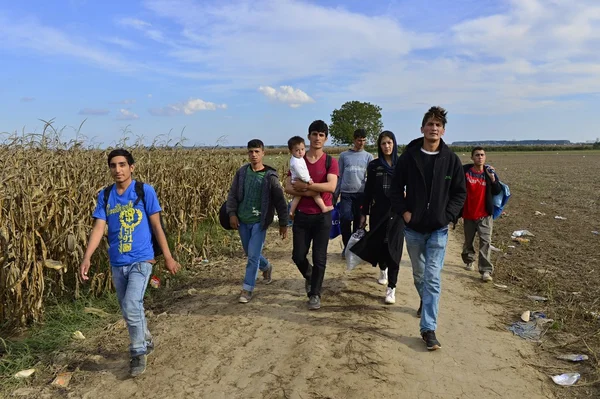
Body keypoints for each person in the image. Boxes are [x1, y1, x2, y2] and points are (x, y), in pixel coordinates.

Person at [80, 148, 180, 377]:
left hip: (142, 259)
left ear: (131, 167)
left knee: (131, 305)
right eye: (113, 165)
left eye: (123, 164)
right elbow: (98, 228)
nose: (118, 169)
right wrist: (87, 257)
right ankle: (146, 340)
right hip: (117, 261)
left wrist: (168, 256)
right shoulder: (105, 196)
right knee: (129, 309)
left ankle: (137, 353)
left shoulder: (144, 191)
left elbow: (157, 225)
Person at [389, 107, 466, 351]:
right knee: (419, 274)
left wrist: (448, 215)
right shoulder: (409, 158)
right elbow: (394, 190)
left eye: (438, 125)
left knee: (432, 277)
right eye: (430, 124)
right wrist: (405, 212)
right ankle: (425, 301)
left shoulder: (451, 160)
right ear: (422, 128)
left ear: (443, 130)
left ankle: (428, 329)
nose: (434, 128)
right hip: (413, 229)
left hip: (438, 229)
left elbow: (459, 193)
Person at [226, 139, 289, 303]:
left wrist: (284, 223)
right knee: (249, 252)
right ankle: (266, 266)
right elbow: (232, 194)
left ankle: (247, 289)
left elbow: (280, 201)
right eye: (250, 152)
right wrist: (232, 213)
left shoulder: (270, 176)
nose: (253, 155)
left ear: (263, 153)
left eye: (257, 152)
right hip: (242, 219)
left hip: (259, 222)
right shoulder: (242, 173)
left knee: (252, 256)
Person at [285, 120, 339, 310]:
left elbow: (331, 187)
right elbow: (288, 187)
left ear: (326, 138)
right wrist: (312, 190)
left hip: (322, 217)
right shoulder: (298, 158)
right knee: (298, 255)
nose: (317, 138)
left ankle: (315, 293)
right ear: (308, 136)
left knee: (320, 258)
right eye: (314, 134)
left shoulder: (330, 162)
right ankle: (310, 275)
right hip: (302, 216)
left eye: (321, 134)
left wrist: (306, 187)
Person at [359, 131, 404, 304]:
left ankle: (392, 287)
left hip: (397, 213)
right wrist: (364, 213)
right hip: (379, 212)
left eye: (390, 143)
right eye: (384, 143)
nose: (387, 146)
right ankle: (382, 268)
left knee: (395, 248)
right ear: (380, 146)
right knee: (381, 245)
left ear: (394, 144)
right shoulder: (374, 166)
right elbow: (368, 191)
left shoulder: (402, 164)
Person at [460, 147, 502, 282]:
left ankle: (485, 271)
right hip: (468, 214)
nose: (480, 157)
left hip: (484, 215)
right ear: (472, 158)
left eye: (482, 155)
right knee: (468, 241)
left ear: (485, 157)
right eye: (477, 155)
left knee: (485, 242)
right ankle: (469, 260)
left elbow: (496, 191)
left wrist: (493, 179)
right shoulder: (465, 171)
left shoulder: (489, 173)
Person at [335, 128, 373, 259]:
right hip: (346, 193)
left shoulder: (368, 157)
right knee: (345, 219)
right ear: (354, 140)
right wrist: (335, 193)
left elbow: (371, 178)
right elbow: (339, 175)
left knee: (359, 223)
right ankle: (346, 246)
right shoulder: (344, 156)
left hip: (361, 194)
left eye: (363, 140)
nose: (361, 143)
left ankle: (355, 249)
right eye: (359, 140)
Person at [287, 136, 333, 219]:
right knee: (315, 193)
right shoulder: (296, 162)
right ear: (291, 151)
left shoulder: (297, 159)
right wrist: (308, 180)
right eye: (297, 150)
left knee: (297, 196)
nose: (300, 152)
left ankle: (291, 210)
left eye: (302, 149)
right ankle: (324, 207)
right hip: (300, 181)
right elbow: (301, 173)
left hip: (296, 181)